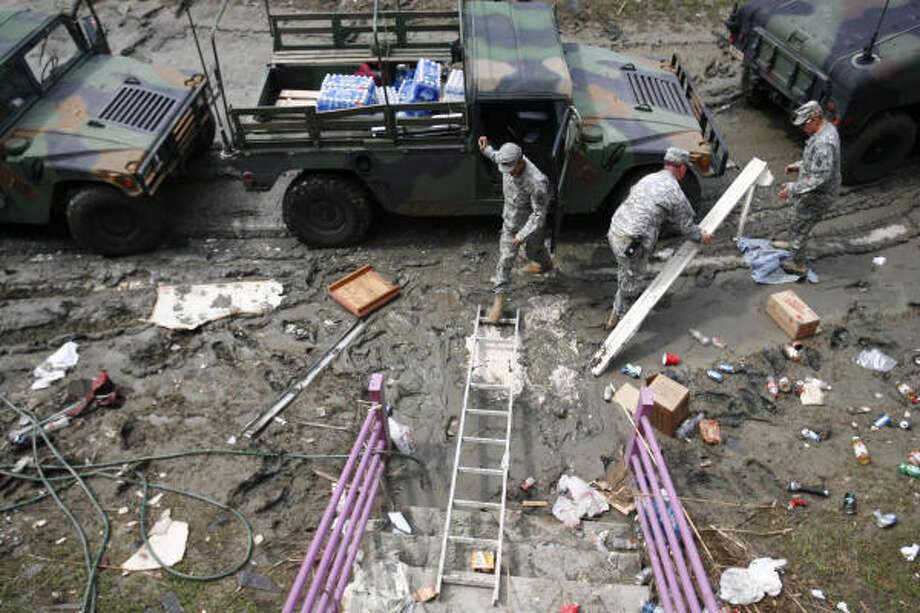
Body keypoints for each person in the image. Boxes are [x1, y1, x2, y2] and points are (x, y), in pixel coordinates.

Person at [605, 147, 712, 331]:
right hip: (631, 243)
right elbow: (687, 228)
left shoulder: (649, 178)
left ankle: (615, 314)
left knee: (626, 272)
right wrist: (701, 236)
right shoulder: (675, 193)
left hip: (615, 230)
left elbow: (650, 205)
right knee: (631, 280)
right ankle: (623, 325)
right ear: (682, 169)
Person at [478, 136, 553, 323]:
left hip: (530, 227)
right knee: (505, 260)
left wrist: (522, 235)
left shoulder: (537, 183)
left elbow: (538, 215)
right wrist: (486, 149)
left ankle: (546, 264)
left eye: (511, 169)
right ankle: (499, 300)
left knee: (534, 251)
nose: (508, 173)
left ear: (520, 162)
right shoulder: (507, 161)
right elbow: (496, 157)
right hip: (510, 224)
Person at [777, 100, 841, 276]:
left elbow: (819, 177)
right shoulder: (825, 131)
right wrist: (798, 165)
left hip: (819, 194)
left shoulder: (824, 143)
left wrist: (792, 188)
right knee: (797, 220)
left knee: (799, 226)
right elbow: (817, 163)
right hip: (817, 190)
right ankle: (793, 246)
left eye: (804, 124)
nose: (802, 128)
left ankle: (798, 264)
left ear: (815, 119)